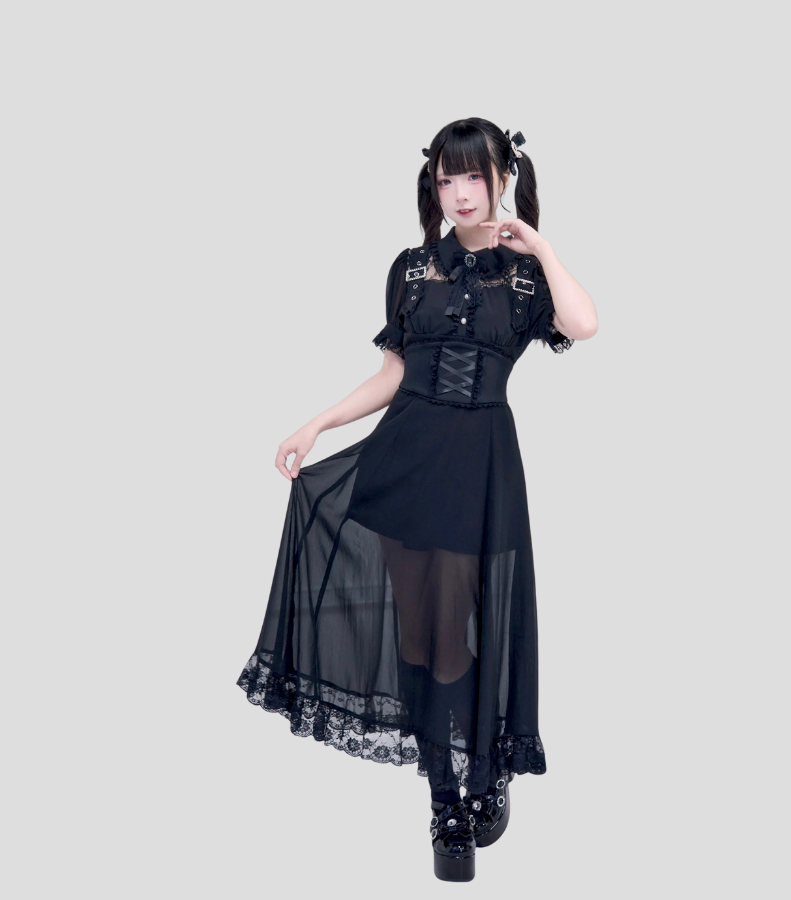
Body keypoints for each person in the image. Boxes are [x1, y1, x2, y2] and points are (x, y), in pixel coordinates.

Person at [236, 117, 597, 882]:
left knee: (462, 634)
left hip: (481, 468)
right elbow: (394, 374)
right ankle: (445, 804)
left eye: (473, 176)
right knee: (421, 637)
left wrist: (540, 245)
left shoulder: (525, 277)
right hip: (404, 464)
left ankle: (484, 770)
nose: (459, 193)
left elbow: (584, 324)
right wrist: (316, 422)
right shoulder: (411, 269)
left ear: (501, 178)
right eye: (445, 178)